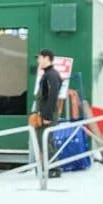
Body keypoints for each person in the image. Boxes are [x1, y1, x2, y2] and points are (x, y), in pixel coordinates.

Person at [35, 48, 64, 177]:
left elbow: (52, 96)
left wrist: (46, 116)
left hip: (48, 114)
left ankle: (53, 170)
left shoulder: (51, 75)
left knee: (45, 141)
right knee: (46, 141)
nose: (38, 60)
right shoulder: (49, 74)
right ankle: (49, 168)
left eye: (39, 57)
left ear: (46, 58)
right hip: (47, 113)